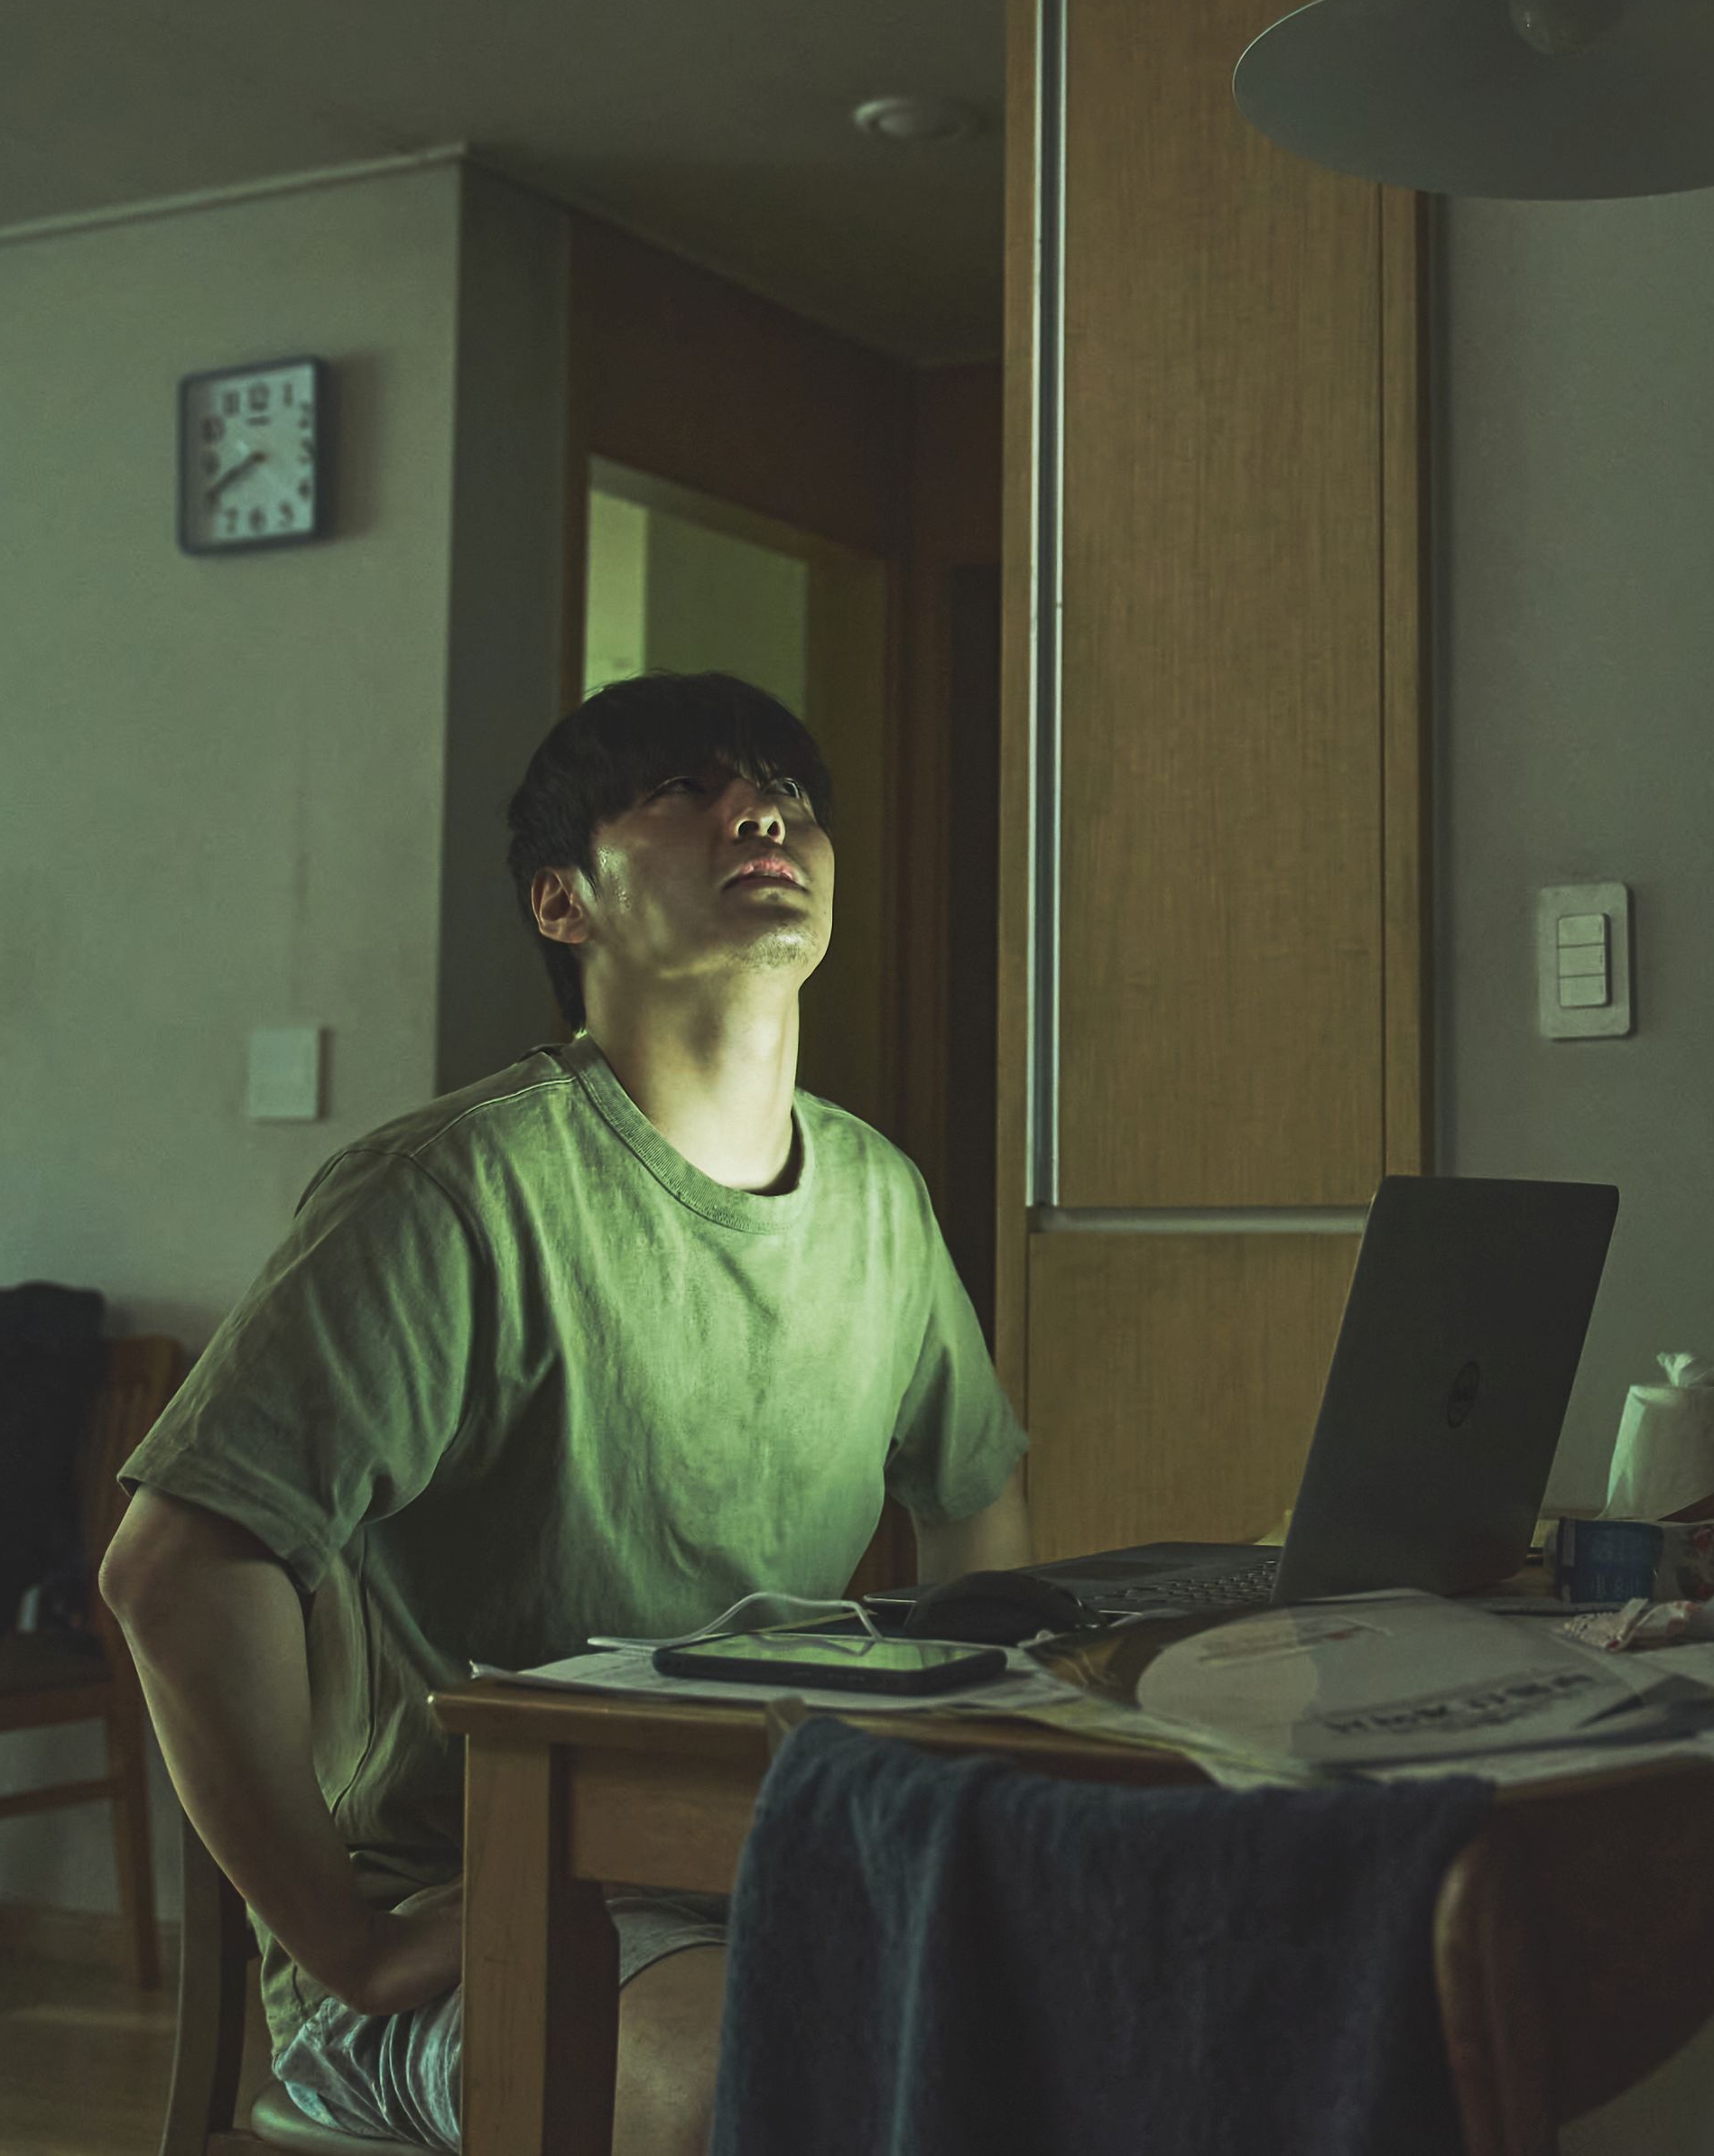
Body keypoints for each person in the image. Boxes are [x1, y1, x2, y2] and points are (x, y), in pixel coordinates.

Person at [102, 671, 1028, 2155]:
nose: (762, 812)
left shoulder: (878, 1197)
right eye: (687, 788)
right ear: (561, 901)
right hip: (478, 1917)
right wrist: (351, 1947)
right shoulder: (454, 1195)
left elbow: (974, 1505)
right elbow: (172, 1571)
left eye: (789, 791)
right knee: (771, 2077)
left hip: (772, 1859)